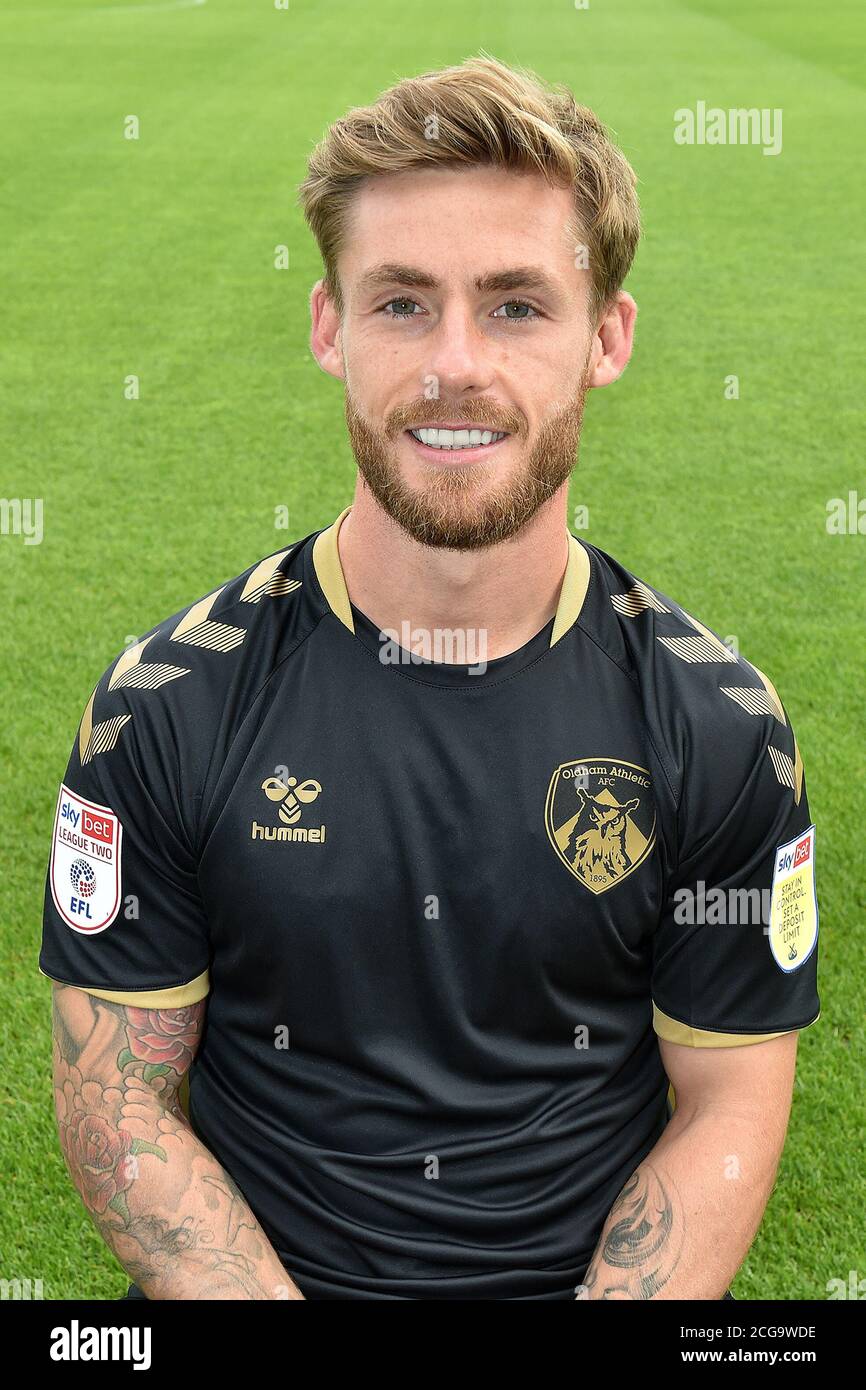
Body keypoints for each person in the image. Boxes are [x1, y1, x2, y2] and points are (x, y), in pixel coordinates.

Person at [40, 54, 819, 1301]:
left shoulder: (717, 726)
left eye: (515, 305)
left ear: (604, 337)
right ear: (327, 328)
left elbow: (728, 1098)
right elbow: (114, 1098)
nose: (454, 363)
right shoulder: (167, 705)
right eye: (401, 303)